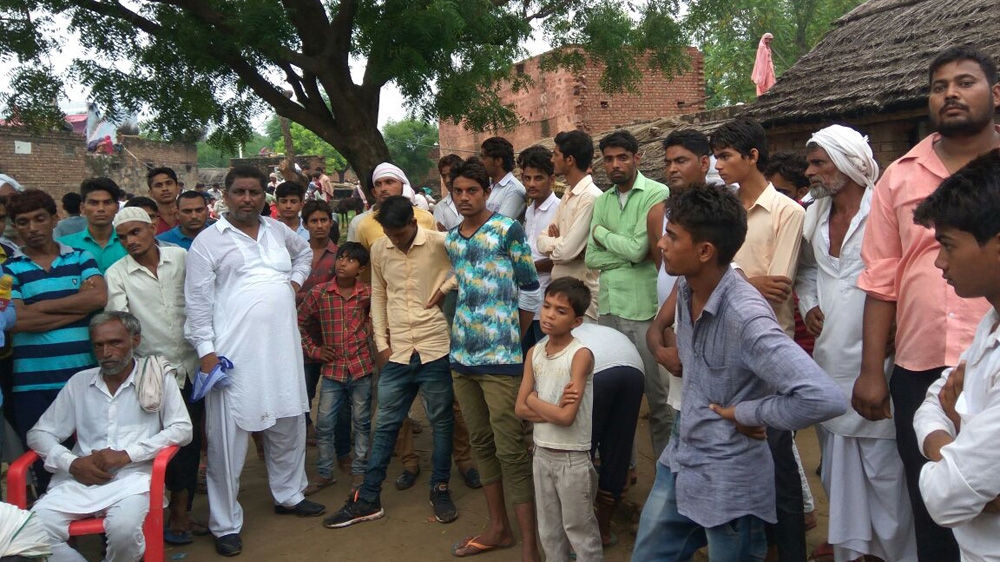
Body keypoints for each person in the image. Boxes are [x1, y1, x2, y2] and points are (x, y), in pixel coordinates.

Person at [631, 185, 846, 562]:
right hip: (681, 456)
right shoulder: (687, 287)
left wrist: (750, 413)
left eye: (672, 236)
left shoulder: (746, 316)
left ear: (704, 251)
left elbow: (822, 397)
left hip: (729, 479)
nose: (661, 244)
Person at [852, 45, 1000, 562]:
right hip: (920, 364)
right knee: (933, 506)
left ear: (996, 94)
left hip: (990, 362)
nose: (951, 94)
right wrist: (872, 368)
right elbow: (880, 277)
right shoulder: (899, 176)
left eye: (965, 82)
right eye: (940, 87)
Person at [184, 165, 324, 557]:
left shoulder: (278, 231)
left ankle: (289, 494)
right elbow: (197, 304)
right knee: (228, 442)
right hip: (232, 356)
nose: (248, 198)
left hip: (281, 348)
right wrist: (207, 354)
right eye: (240, 191)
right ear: (225, 195)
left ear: (265, 195)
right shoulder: (208, 242)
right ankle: (224, 523)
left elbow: (303, 255)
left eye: (255, 192)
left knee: (289, 423)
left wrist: (294, 282)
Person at [795, 125, 917, 562]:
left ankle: (896, 553)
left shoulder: (885, 209)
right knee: (837, 461)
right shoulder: (812, 214)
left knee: (885, 468)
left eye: (818, 162)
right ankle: (853, 548)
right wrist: (808, 302)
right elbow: (807, 270)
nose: (808, 171)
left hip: (877, 356)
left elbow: (911, 272)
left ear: (847, 166)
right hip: (830, 355)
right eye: (810, 163)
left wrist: (900, 321)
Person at [325, 196, 457, 527]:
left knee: (441, 422)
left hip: (436, 346)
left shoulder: (441, 242)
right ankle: (368, 498)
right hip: (397, 351)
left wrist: (446, 287)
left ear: (413, 222)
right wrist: (381, 344)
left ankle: (440, 487)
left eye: (399, 233)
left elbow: (468, 267)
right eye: (388, 232)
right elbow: (379, 294)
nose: (394, 239)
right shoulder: (380, 249)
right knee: (385, 424)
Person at [711, 116, 808, 562]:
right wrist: (745, 277)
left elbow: (779, 285)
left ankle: (788, 550)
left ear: (753, 157)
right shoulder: (723, 209)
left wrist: (729, 277)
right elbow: (709, 276)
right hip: (722, 345)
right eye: (716, 155)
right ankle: (755, 547)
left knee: (776, 455)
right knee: (737, 456)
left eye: (726, 155)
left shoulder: (789, 211)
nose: (719, 164)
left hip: (769, 347)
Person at [27, 311, 193, 562]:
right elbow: (39, 433)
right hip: (79, 480)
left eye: (115, 343)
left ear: (135, 341)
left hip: (133, 479)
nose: (106, 352)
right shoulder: (79, 383)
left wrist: (127, 455)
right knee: (31, 532)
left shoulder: (156, 377)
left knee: (124, 531)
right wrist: (71, 462)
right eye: (99, 345)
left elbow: (182, 429)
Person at [440, 157, 542, 561]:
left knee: (511, 447)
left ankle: (531, 544)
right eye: (457, 191)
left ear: (486, 192)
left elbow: (530, 290)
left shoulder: (506, 229)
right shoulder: (452, 239)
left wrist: (510, 337)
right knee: (481, 443)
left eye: (472, 191)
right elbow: (463, 289)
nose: (464, 198)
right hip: (462, 357)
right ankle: (498, 527)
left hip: (500, 359)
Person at [912, 148, 1000, 562]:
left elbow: (944, 499)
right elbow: (932, 402)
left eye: (948, 245)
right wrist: (955, 448)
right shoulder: (990, 325)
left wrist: (958, 474)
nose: (940, 262)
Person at [104, 206, 204, 546]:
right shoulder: (118, 274)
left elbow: (201, 299)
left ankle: (181, 508)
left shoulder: (180, 257)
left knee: (191, 441)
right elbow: (120, 321)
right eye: (123, 238)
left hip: (193, 363)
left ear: (151, 229)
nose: (130, 241)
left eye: (136, 233)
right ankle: (159, 511)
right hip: (154, 372)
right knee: (161, 443)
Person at [5, 190, 107, 492]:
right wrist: (77, 308)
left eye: (39, 219)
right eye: (23, 222)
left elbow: (99, 297)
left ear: (54, 219)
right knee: (46, 462)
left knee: (94, 455)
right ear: (15, 226)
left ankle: (104, 531)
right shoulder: (8, 270)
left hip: (84, 379)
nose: (32, 228)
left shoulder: (80, 257)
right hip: (32, 385)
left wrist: (36, 307)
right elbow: (16, 321)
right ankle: (62, 536)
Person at [585, 130, 672, 458]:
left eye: (622, 157)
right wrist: (625, 250)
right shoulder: (603, 200)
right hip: (609, 305)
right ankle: (623, 466)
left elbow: (641, 251)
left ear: (637, 158)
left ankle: (666, 469)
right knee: (616, 391)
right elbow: (590, 258)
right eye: (609, 159)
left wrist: (601, 232)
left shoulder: (656, 192)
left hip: (644, 308)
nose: (615, 164)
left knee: (658, 396)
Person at [515, 277, 601, 562]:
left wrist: (535, 400)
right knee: (549, 532)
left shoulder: (580, 355)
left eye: (560, 311)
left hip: (572, 458)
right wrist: (543, 406)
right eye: (547, 306)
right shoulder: (534, 352)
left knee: (579, 531)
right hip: (541, 453)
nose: (549, 315)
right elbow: (519, 409)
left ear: (577, 321)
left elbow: (566, 417)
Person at [298, 242, 373, 497]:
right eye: (341, 258)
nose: (342, 263)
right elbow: (299, 323)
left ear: (361, 269)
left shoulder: (367, 294)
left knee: (361, 422)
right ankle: (325, 472)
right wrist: (314, 350)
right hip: (332, 370)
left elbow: (378, 318)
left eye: (350, 260)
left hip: (361, 367)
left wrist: (368, 331)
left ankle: (360, 469)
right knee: (325, 424)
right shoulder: (319, 293)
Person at [573, 322, 645, 550]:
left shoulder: (547, 345)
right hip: (633, 368)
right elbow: (624, 436)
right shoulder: (593, 329)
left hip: (598, 372)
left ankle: (580, 539)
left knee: (578, 452)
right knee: (618, 448)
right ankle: (603, 530)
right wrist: (628, 465)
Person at [296, 199, 348, 463]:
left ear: (331, 222)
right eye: (314, 221)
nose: (319, 225)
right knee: (301, 394)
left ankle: (343, 453)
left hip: (333, 337)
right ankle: (302, 444)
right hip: (299, 337)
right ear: (305, 225)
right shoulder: (295, 254)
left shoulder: (340, 257)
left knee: (337, 399)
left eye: (324, 220)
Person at [538, 130, 602, 321]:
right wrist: (561, 243)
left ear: (570, 160)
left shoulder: (590, 197)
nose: (552, 159)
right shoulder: (567, 193)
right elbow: (540, 242)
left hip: (582, 298)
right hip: (562, 291)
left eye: (556, 154)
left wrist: (558, 245)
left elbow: (566, 252)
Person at [519, 145, 561, 349]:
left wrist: (527, 267)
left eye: (538, 178)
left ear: (552, 179)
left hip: (548, 298)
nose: (531, 184)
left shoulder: (559, 209)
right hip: (527, 298)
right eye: (527, 178)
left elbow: (561, 257)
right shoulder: (529, 210)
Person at [58, 178, 127, 273]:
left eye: (107, 203)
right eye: (94, 203)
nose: (101, 209)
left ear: (117, 207)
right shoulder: (63, 246)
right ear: (82, 208)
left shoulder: (130, 243)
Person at [480, 136, 527, 220]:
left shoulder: (514, 190)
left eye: (484, 157)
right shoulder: (487, 186)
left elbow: (499, 226)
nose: (481, 162)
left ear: (498, 161)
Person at [434, 154, 464, 232]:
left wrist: (448, 234)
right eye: (444, 176)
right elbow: (439, 236)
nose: (447, 180)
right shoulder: (440, 207)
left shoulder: (477, 200)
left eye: (451, 175)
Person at [147, 167, 181, 235]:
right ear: (151, 193)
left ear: (177, 188)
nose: (165, 189)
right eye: (158, 185)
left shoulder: (190, 215)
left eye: (169, 183)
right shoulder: (149, 220)